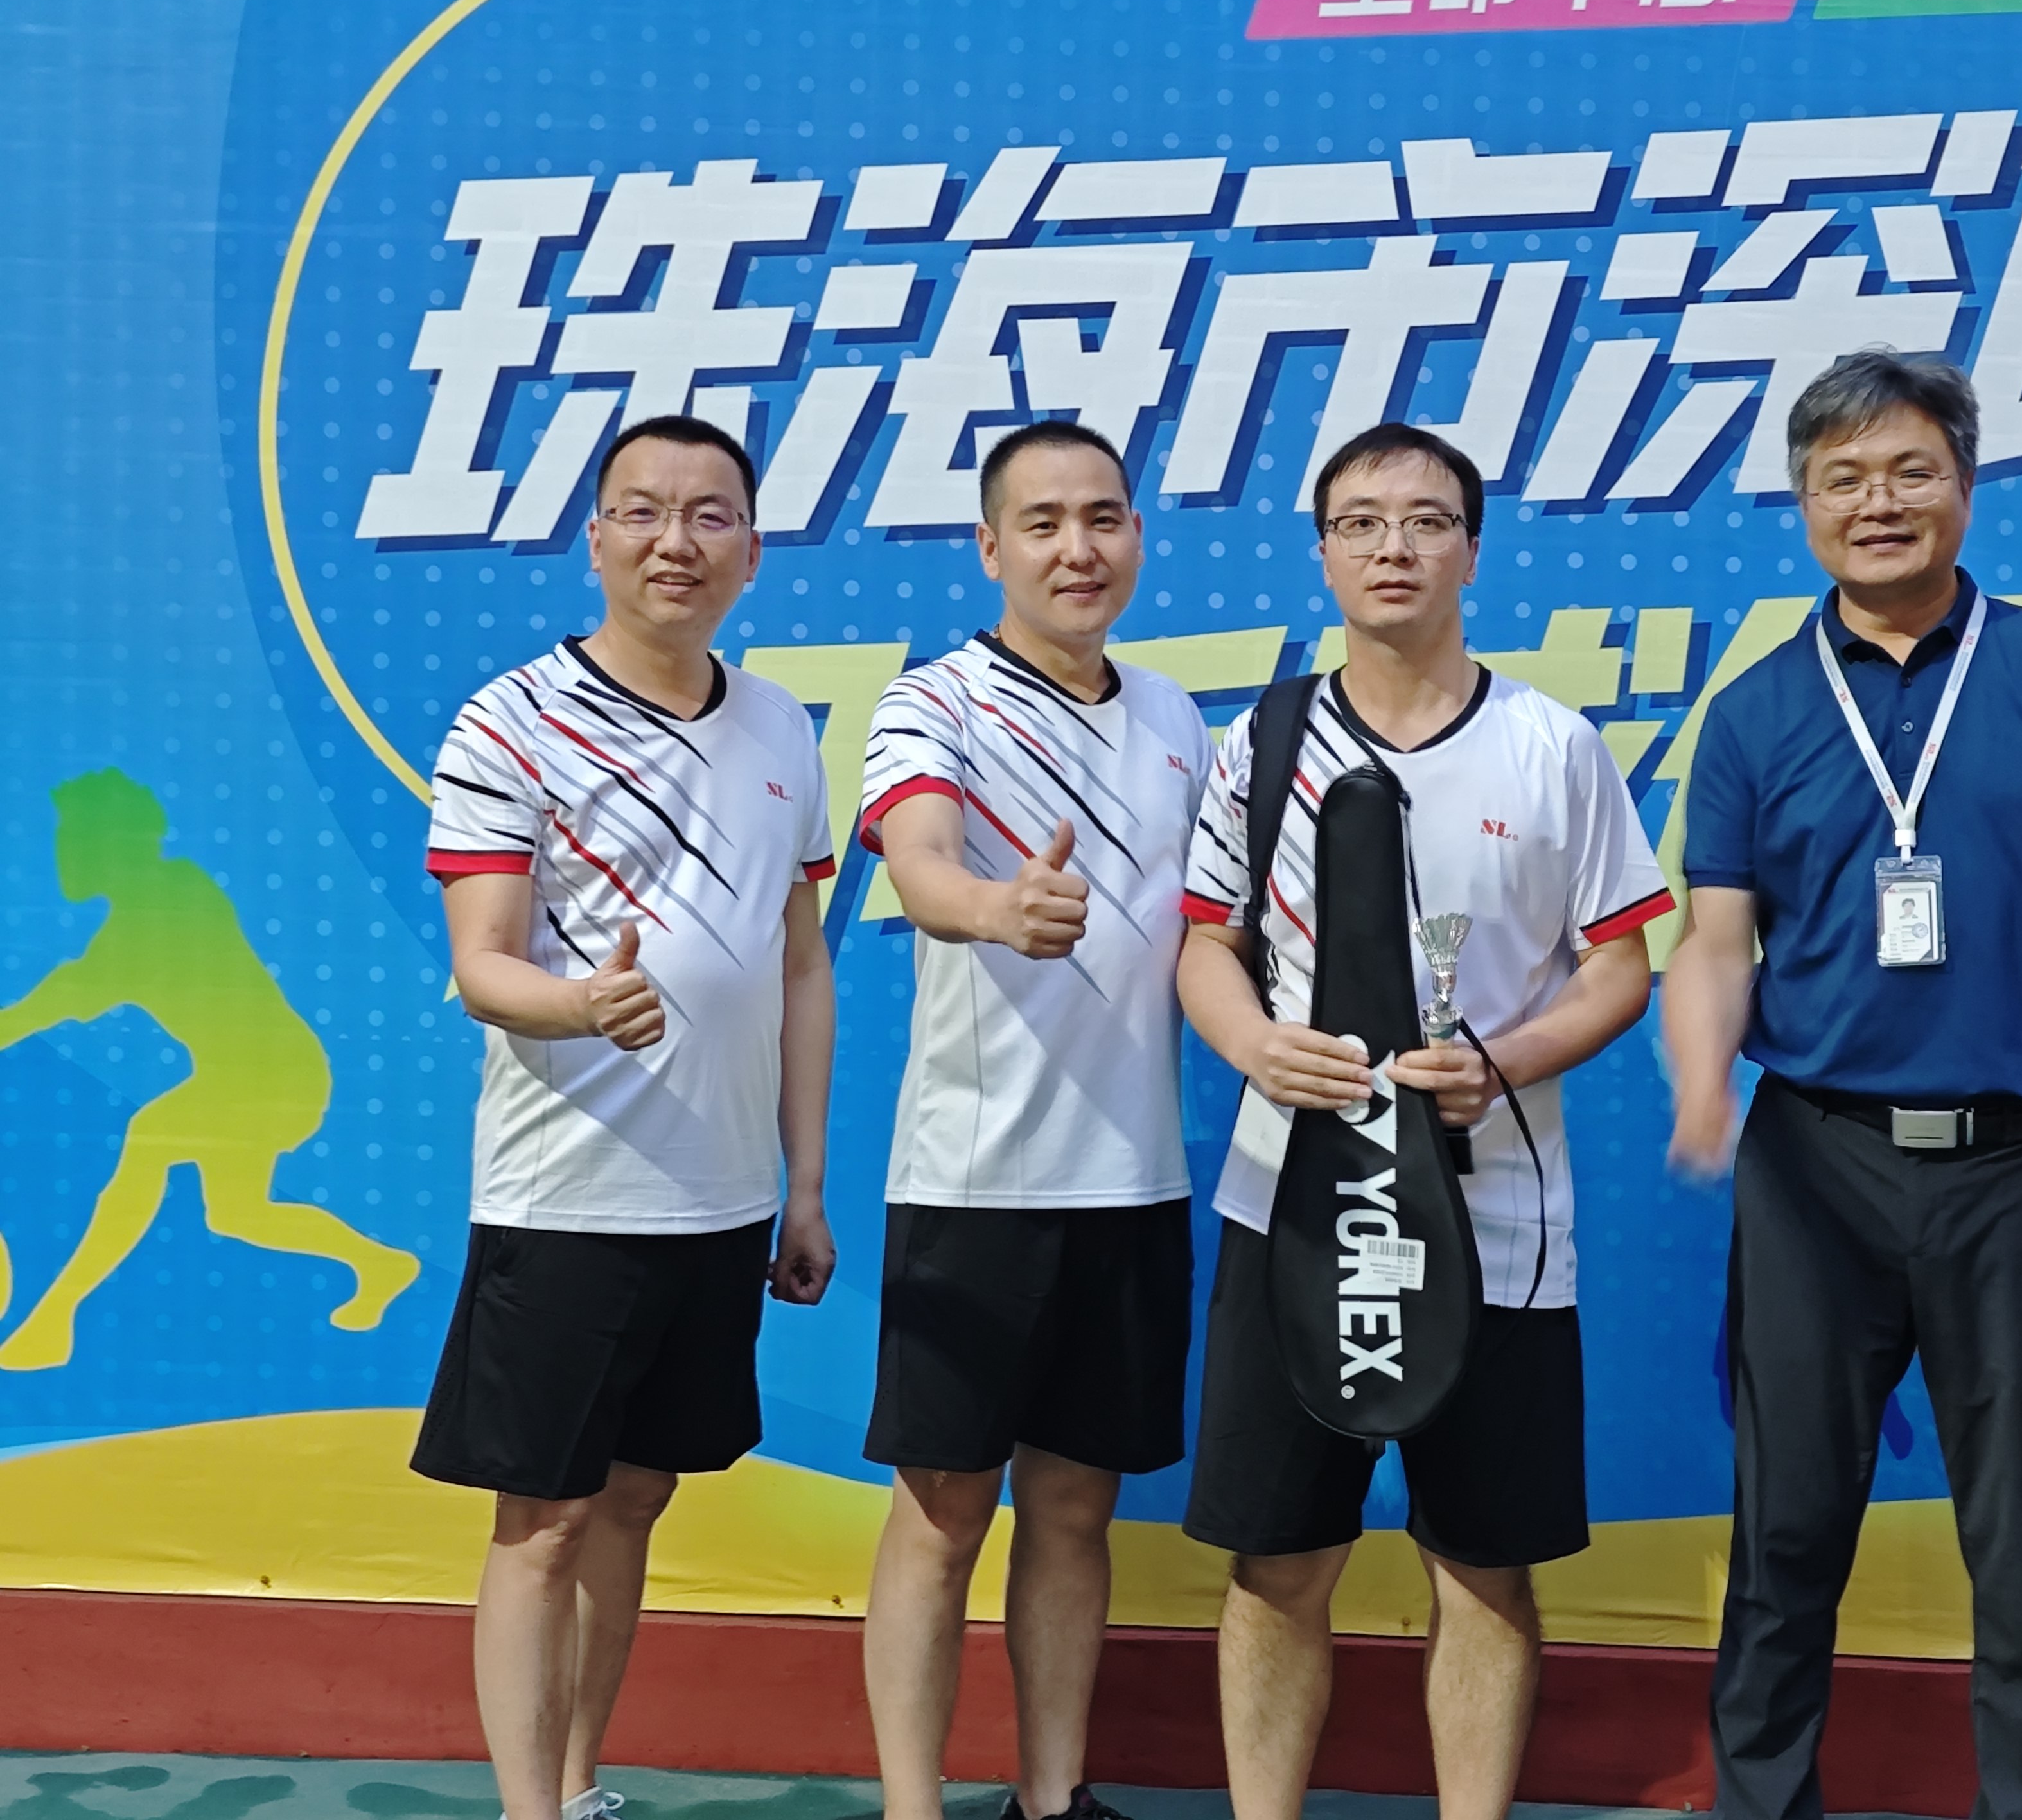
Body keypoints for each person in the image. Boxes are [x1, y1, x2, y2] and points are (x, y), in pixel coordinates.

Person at [1662, 350, 2022, 1820]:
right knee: (1783, 1535)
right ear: (1802, 503)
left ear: (1964, 485)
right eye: (1842, 478)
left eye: (1909, 470)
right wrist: (1702, 1082)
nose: (1876, 502)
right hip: (1813, 1166)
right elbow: (1714, 938)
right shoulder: (1753, 710)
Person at [1177, 421, 1671, 1820]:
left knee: (1483, 1565)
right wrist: (1253, 1045)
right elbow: (1204, 945)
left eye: (1425, 521)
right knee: (1278, 1561)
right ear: (1323, 552)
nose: (1392, 547)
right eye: (1361, 522)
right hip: (1294, 1217)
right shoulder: (1262, 741)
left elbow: (1620, 966)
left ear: (1471, 549)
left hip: (1497, 1225)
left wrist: (1501, 1063)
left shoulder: (1551, 746)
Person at [413, 412, 839, 1820]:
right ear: (595, 537)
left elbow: (799, 964)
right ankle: (528, 1809)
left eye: (710, 515)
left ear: (751, 551)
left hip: (720, 1203)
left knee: (639, 1497)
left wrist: (804, 1185)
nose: (676, 542)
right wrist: (579, 1005)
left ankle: (581, 1784)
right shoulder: (509, 722)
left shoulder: (782, 726)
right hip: (566, 1198)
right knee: (542, 1522)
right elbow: (484, 965)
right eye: (643, 512)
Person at [856, 419, 1208, 1820]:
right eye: (1044, 523)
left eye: (1103, 518)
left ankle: (1052, 1799)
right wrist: (1000, 908)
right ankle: (910, 1803)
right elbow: (922, 866)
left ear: (1136, 538)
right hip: (974, 1184)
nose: (1078, 549)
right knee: (945, 1511)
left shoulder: (1176, 716)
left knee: (1074, 1507)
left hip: (1134, 1178)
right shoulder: (931, 703)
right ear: (991, 547)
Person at [0, 767, 419, 1369]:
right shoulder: (148, 906)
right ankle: (380, 1263)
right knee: (239, 1216)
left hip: (275, 1075)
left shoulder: (167, 901)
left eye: (73, 837)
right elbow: (57, 997)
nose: (63, 851)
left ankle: (54, 1320)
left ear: (112, 845)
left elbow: (56, 999)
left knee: (149, 1140)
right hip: (246, 1077)